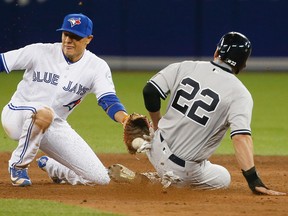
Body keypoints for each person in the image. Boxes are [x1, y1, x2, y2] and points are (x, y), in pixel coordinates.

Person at [108, 32, 286, 195]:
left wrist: (156, 124)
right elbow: (241, 138)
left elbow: (150, 91)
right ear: (243, 64)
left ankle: (144, 142)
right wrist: (253, 180)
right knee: (223, 177)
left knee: (159, 134)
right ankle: (158, 180)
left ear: (217, 52)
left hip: (155, 146)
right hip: (183, 171)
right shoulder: (240, 94)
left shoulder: (186, 66)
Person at [0, 13, 129, 186]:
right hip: (17, 114)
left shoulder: (96, 66)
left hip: (54, 125)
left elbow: (108, 99)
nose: (68, 40)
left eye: (75, 36)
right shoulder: (39, 51)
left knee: (101, 180)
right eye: (66, 34)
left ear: (88, 39)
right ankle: (18, 166)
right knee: (44, 113)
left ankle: (55, 168)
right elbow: (2, 61)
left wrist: (125, 119)